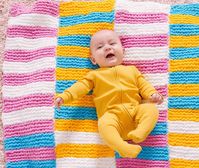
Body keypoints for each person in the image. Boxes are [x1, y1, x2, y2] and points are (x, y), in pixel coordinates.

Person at [55, 30, 163, 158]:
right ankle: (122, 147)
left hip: (135, 112)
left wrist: (152, 94)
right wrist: (65, 96)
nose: (107, 47)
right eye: (100, 47)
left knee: (150, 109)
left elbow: (143, 85)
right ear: (93, 59)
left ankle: (141, 132)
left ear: (123, 51)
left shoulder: (132, 70)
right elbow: (79, 87)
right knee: (103, 124)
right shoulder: (94, 76)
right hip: (112, 117)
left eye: (112, 43)